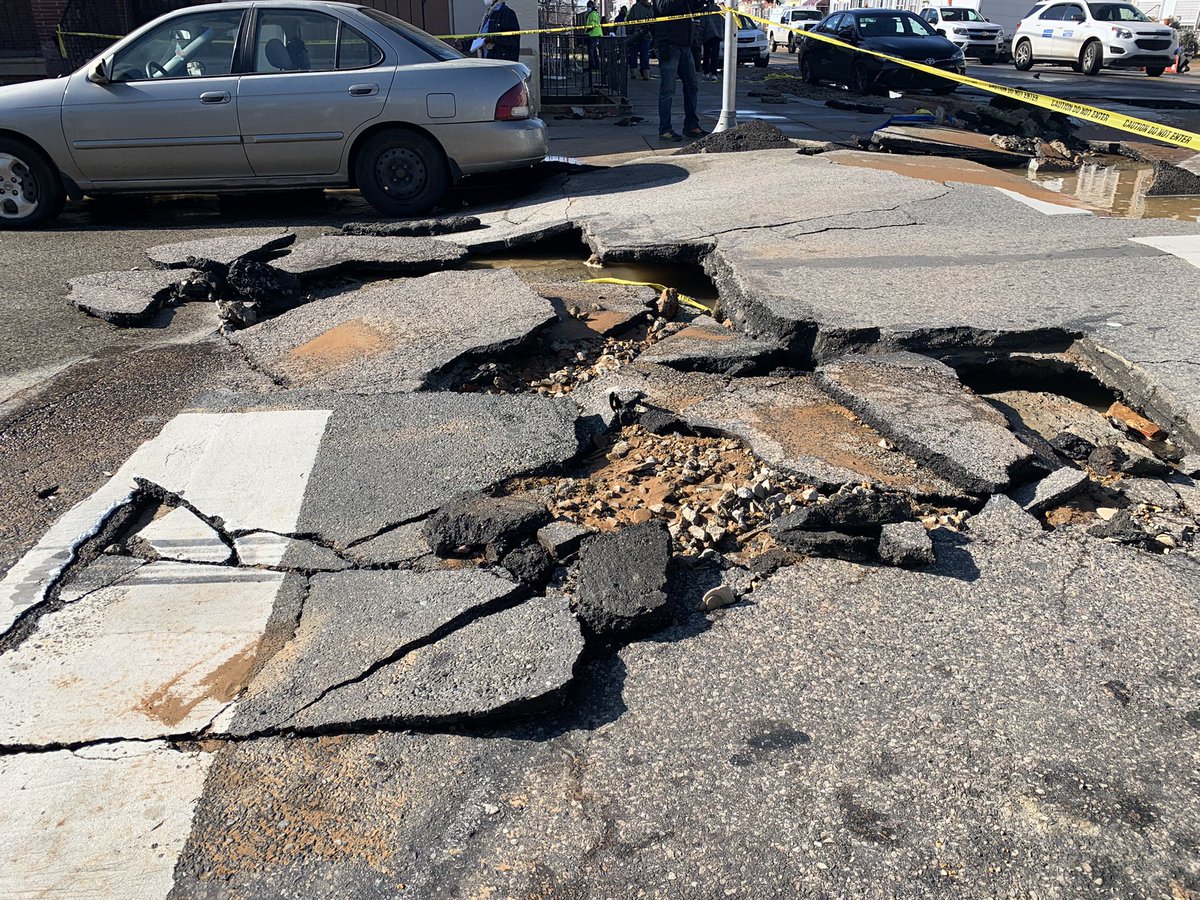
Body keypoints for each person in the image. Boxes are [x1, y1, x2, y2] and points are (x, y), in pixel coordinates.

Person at [654, 0, 705, 140]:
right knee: (668, 89)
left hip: (684, 45)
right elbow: (662, 7)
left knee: (692, 85)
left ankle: (691, 125)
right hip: (669, 45)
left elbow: (695, 8)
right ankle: (665, 130)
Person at [626, 0, 655, 79]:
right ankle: (646, 73)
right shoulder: (651, 8)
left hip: (635, 35)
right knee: (645, 54)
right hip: (646, 35)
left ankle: (633, 72)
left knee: (633, 54)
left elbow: (629, 20)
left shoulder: (635, 7)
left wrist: (629, 33)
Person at [699, 0, 720, 81]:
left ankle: (706, 72)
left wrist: (700, 36)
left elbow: (702, 24)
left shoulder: (705, 10)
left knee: (706, 54)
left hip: (707, 35)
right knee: (715, 55)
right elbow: (723, 22)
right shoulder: (719, 10)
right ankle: (714, 73)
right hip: (717, 35)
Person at [585, 0, 603, 69]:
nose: (588, 8)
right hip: (594, 34)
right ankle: (596, 65)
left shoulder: (593, 14)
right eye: (587, 6)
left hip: (593, 34)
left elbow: (591, 25)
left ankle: (592, 65)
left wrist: (586, 31)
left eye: (589, 6)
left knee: (591, 51)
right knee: (594, 51)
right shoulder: (593, 13)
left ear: (592, 6)